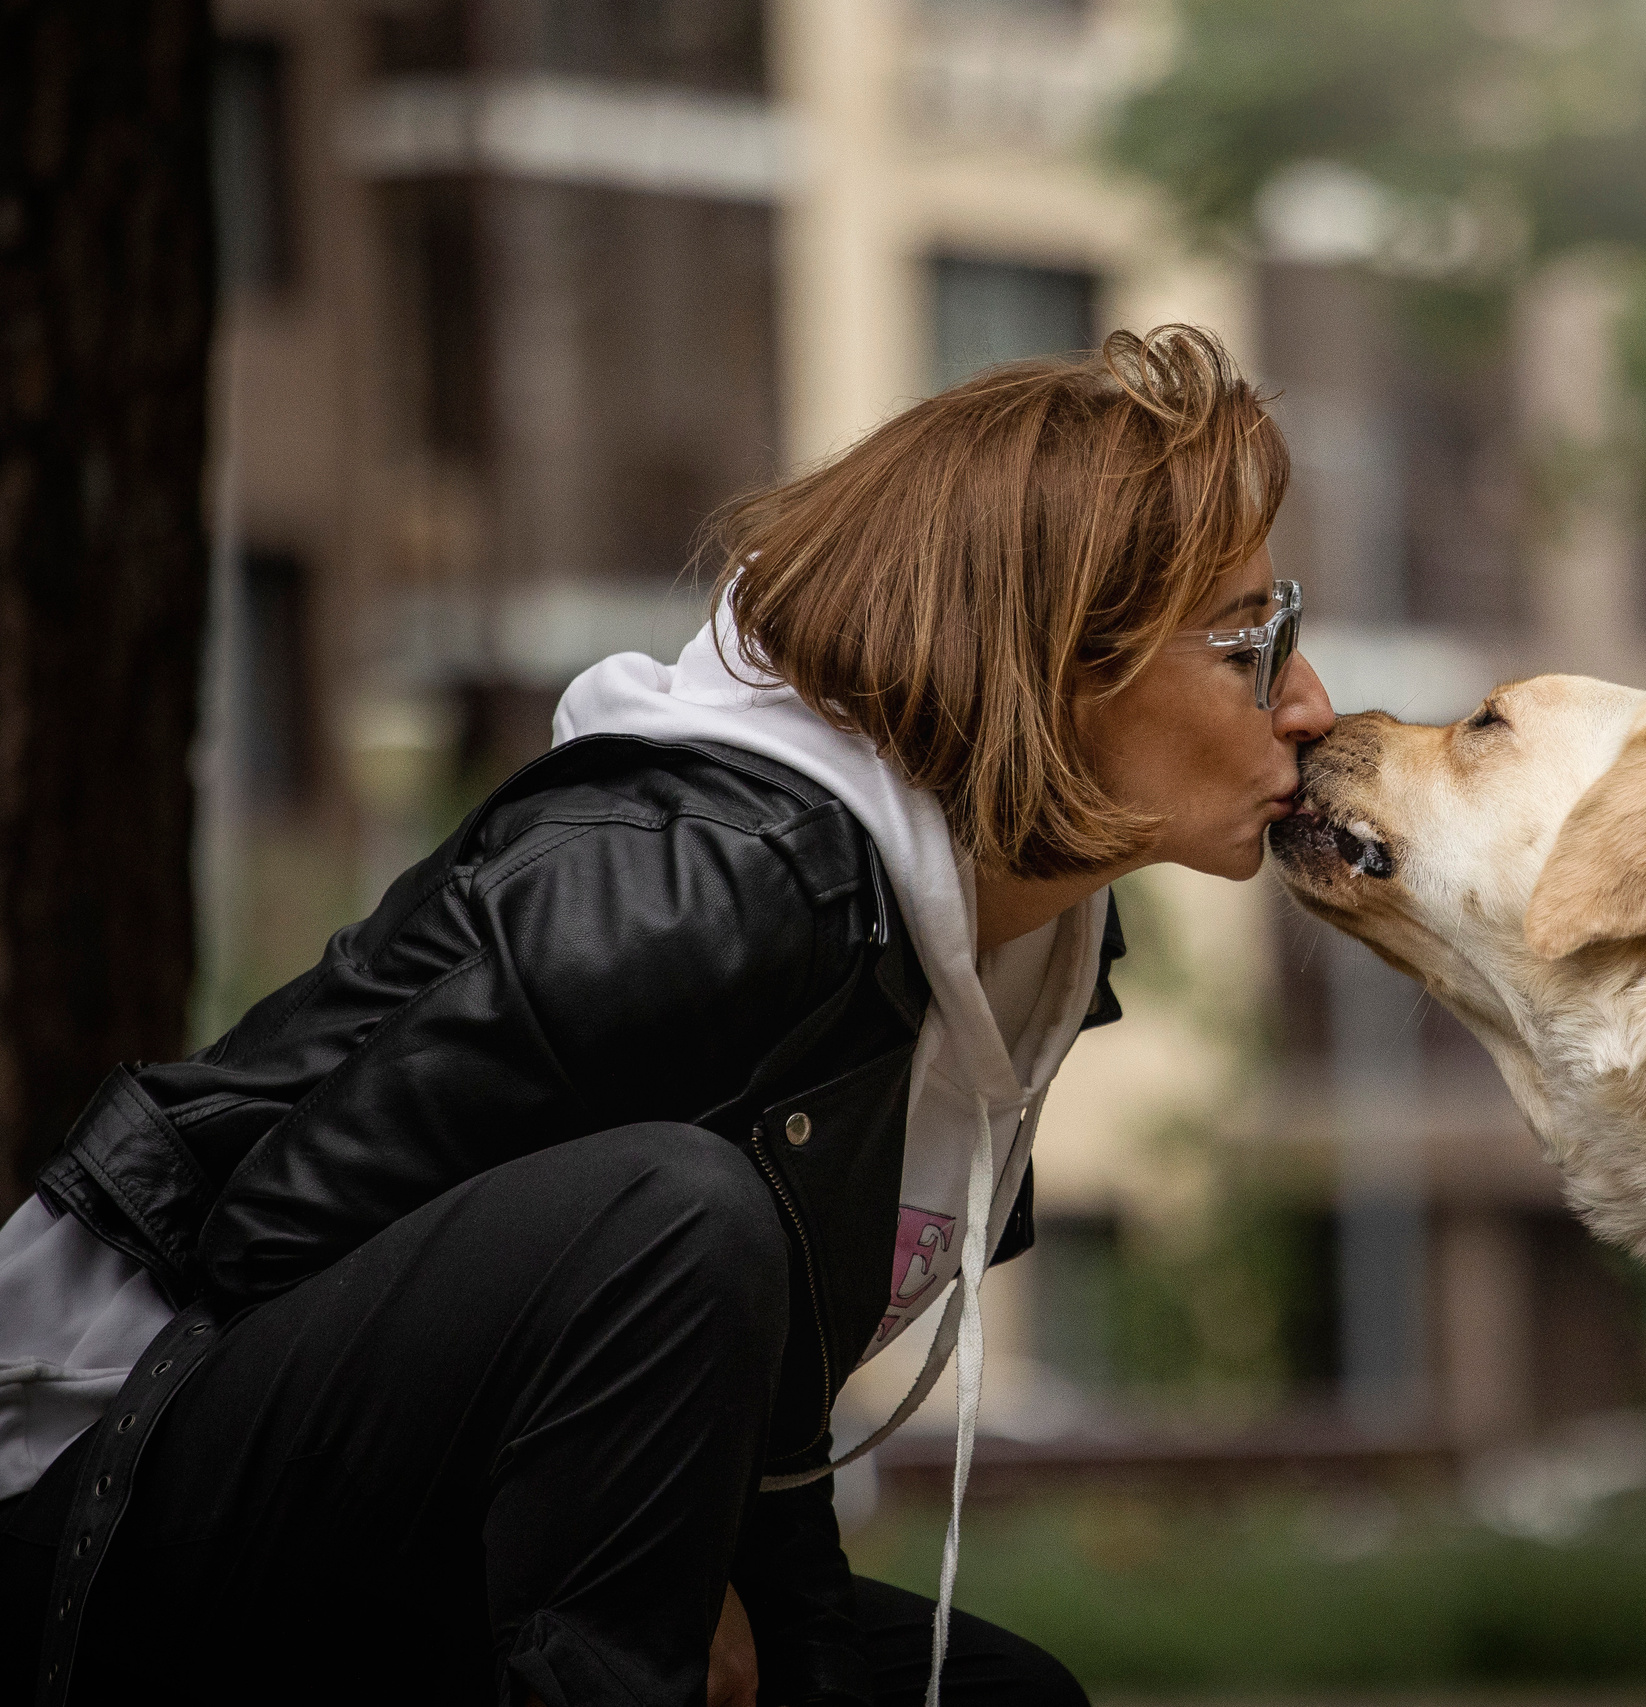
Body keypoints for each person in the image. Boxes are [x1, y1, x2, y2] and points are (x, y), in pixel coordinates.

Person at [0, 324, 1336, 1705]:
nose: (1310, 704)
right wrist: (624, 1594)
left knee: (994, 1695)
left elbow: (752, 1419)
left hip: (414, 1533)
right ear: (1055, 662)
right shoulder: (703, 887)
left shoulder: (1014, 960)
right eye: (1256, 643)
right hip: (96, 1517)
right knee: (680, 1211)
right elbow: (263, 1239)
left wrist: (748, 1606)